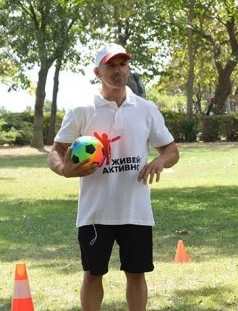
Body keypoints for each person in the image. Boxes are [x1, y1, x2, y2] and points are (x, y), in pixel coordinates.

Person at [47, 43, 180, 311]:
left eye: (123, 64)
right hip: (95, 213)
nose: (119, 70)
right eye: (111, 66)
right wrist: (64, 169)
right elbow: (56, 151)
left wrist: (160, 161)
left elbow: (172, 150)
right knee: (93, 274)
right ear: (98, 71)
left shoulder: (146, 108)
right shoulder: (82, 110)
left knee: (136, 272)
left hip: (135, 211)